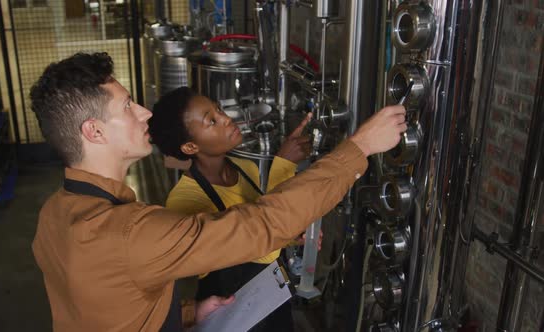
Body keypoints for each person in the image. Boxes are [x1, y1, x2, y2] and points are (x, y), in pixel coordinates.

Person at [29, 52, 406, 332]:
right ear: (94, 132)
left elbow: (105, 309)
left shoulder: (54, 213)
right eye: (127, 106)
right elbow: (262, 224)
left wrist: (190, 313)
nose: (144, 112)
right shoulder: (132, 233)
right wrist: (359, 148)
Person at [150, 87, 314, 332]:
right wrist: (283, 167)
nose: (227, 119)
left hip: (272, 298)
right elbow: (259, 244)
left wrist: (294, 237)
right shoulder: (184, 202)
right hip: (233, 312)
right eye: (212, 121)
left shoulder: (243, 166)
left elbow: (266, 227)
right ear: (190, 147)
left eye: (218, 109)